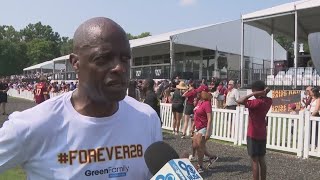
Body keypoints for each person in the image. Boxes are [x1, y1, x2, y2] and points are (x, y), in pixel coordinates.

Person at [0, 17, 162, 179]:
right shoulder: (33, 125)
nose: (119, 68)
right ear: (75, 63)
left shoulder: (146, 118)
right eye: (103, 58)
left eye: (125, 59)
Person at [236, 80, 272, 180]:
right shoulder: (268, 100)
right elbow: (265, 96)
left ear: (256, 91)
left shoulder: (255, 103)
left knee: (254, 161)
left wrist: (253, 94)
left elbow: (239, 101)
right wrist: (264, 92)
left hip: (253, 134)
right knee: (262, 160)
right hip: (262, 133)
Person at [192, 85, 218, 173]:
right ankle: (212, 157)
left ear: (203, 93)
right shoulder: (199, 102)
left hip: (203, 127)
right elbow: (196, 114)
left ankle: (200, 166)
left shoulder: (207, 103)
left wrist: (208, 131)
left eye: (199, 92)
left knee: (200, 147)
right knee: (195, 145)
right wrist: (193, 125)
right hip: (197, 126)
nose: (197, 93)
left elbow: (210, 118)